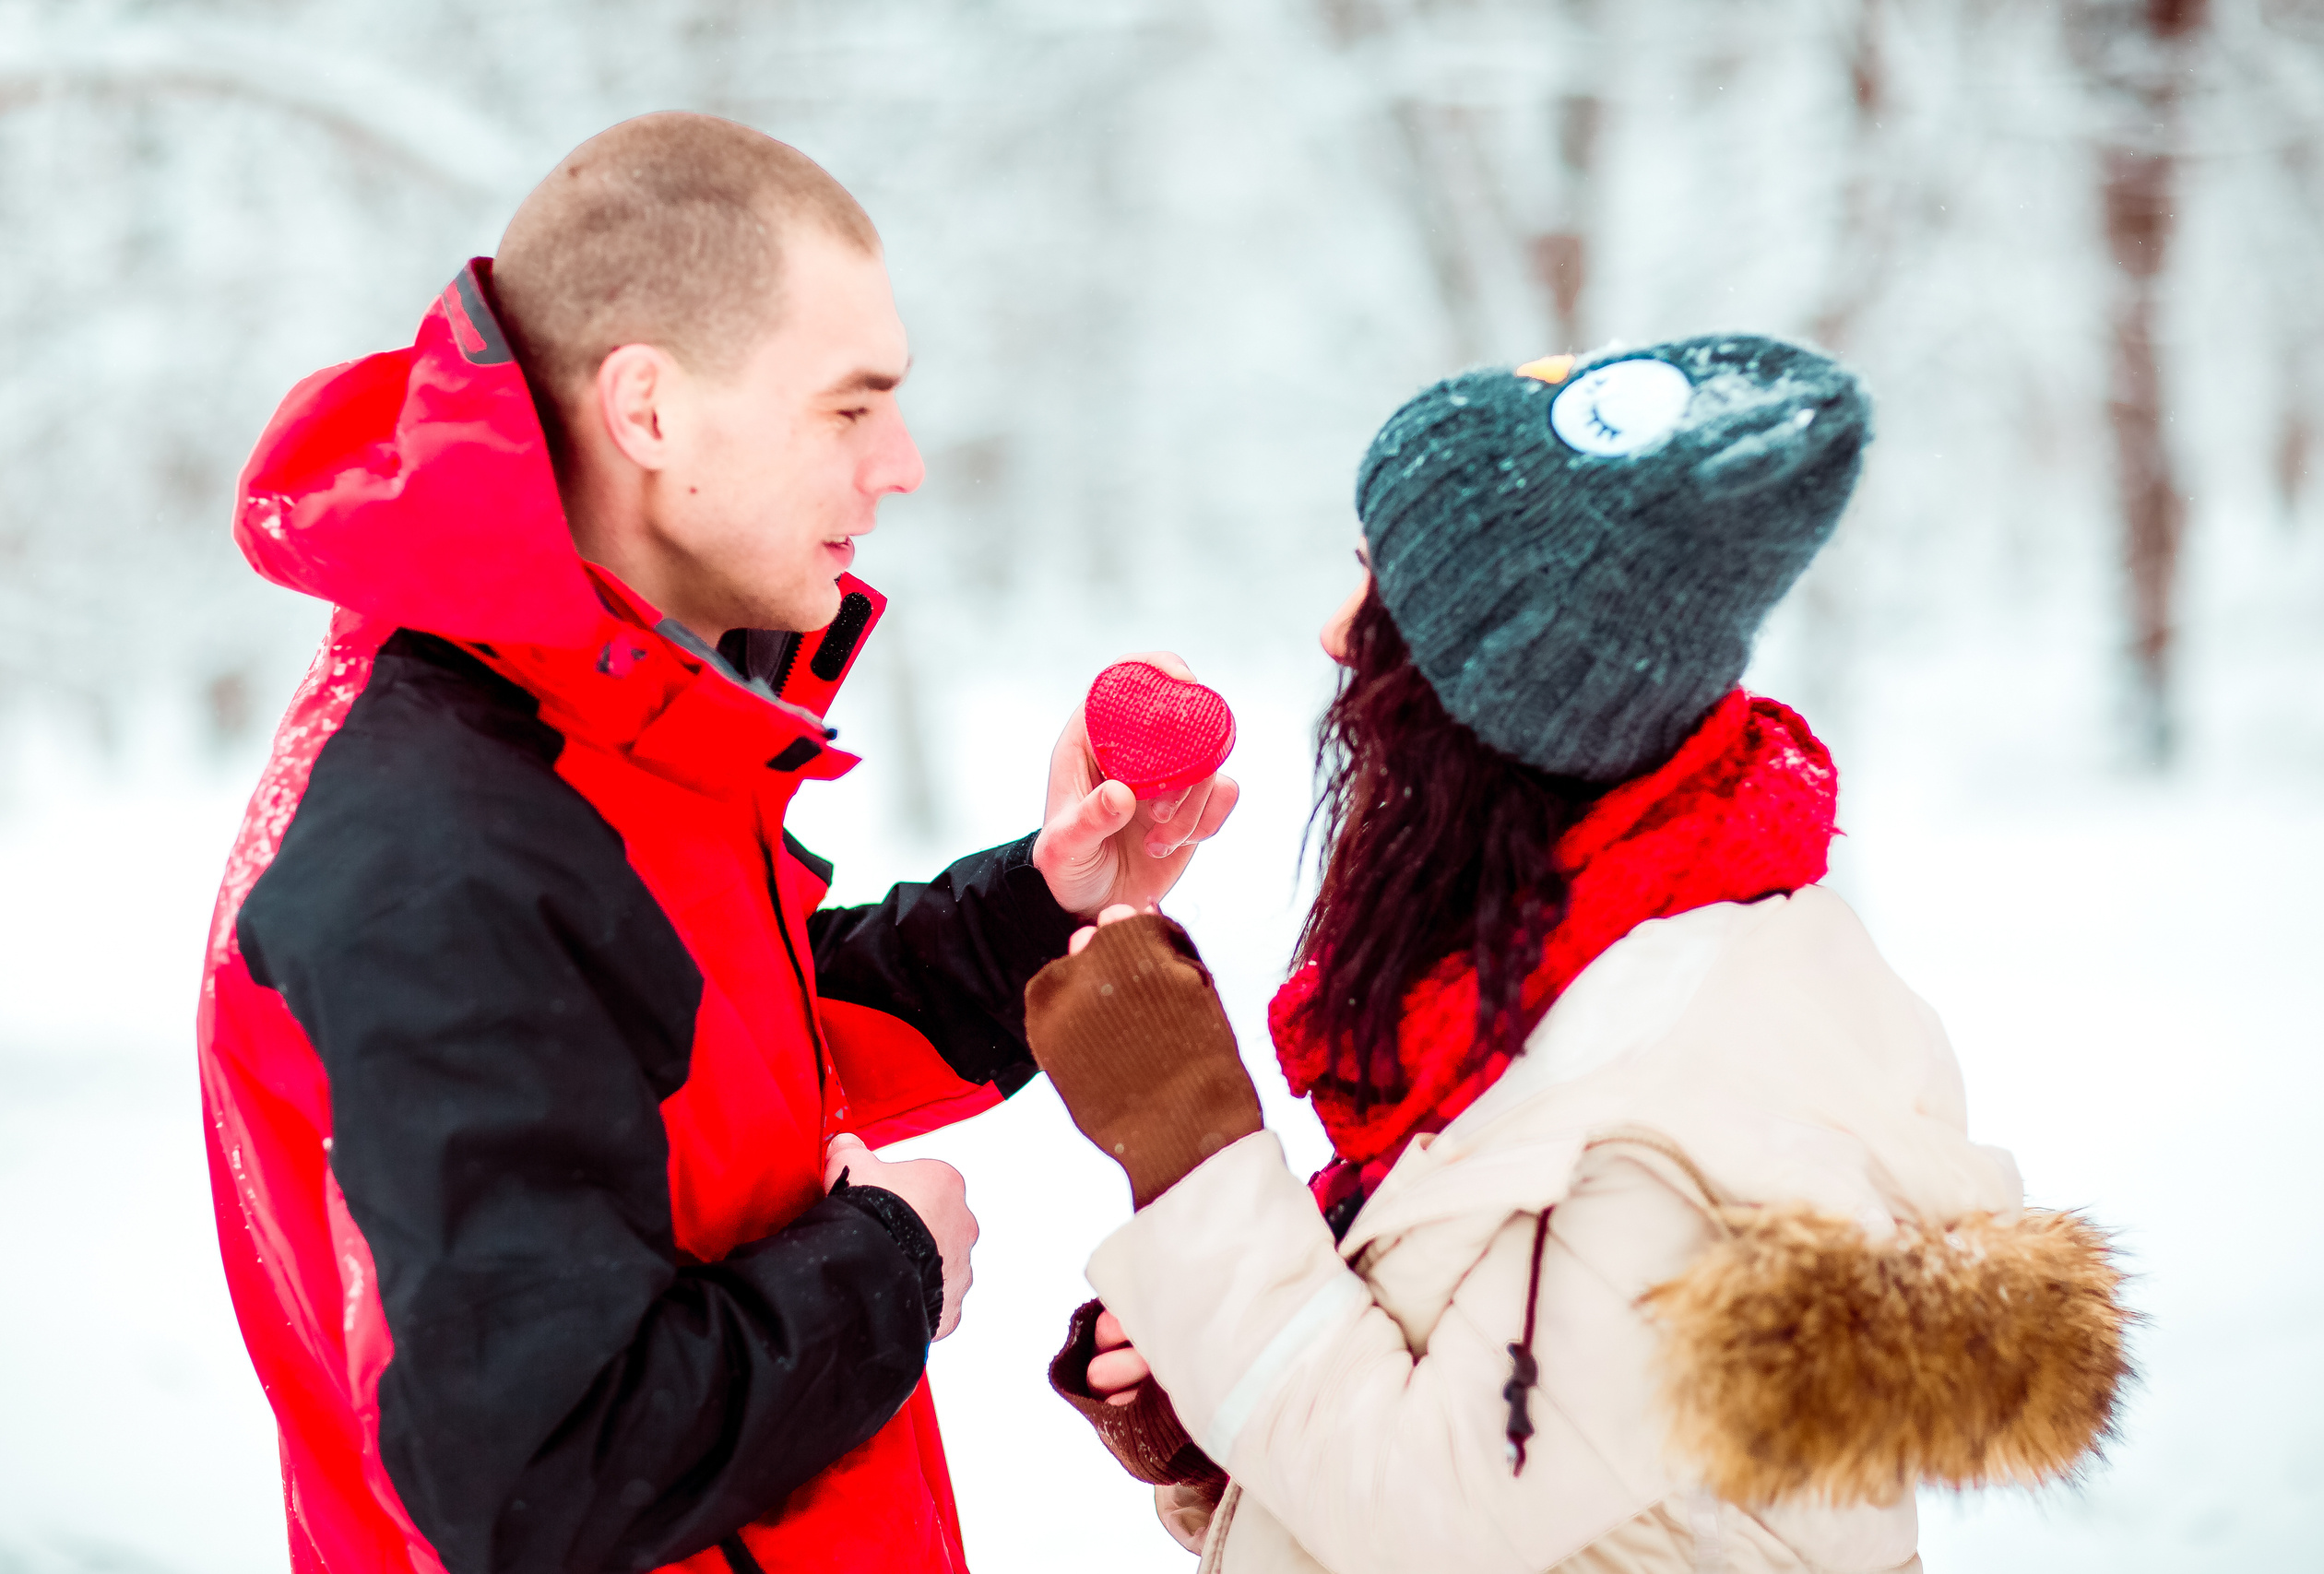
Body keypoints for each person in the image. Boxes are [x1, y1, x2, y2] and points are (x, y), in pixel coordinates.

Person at [196, 113, 1237, 1574]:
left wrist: (1032, 910)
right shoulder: (439, 858)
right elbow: (538, 1474)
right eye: (850, 408)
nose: (905, 465)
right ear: (651, 412)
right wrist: (887, 1267)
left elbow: (715, 1062)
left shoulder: (593, 741)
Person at [1021, 338, 2135, 1571]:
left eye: (1378, 594)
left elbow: (1432, 1519)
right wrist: (1221, 1399)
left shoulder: (1684, 1100)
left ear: (1500, 698)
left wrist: (1193, 1153)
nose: (1335, 638)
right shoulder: (1558, 972)